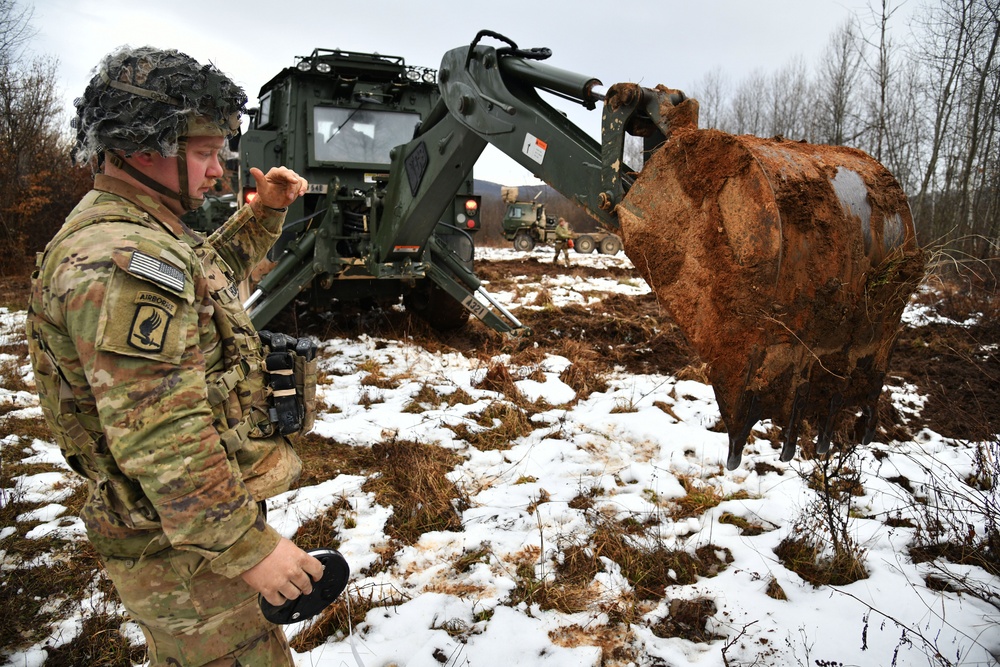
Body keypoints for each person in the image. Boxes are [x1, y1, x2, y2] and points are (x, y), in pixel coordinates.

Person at [26, 46, 323, 667]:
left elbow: (202, 278)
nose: (219, 170)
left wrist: (264, 214)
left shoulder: (141, 228)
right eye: (203, 153)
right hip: (183, 545)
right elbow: (162, 431)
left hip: (187, 528)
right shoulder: (117, 258)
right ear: (142, 147)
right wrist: (249, 547)